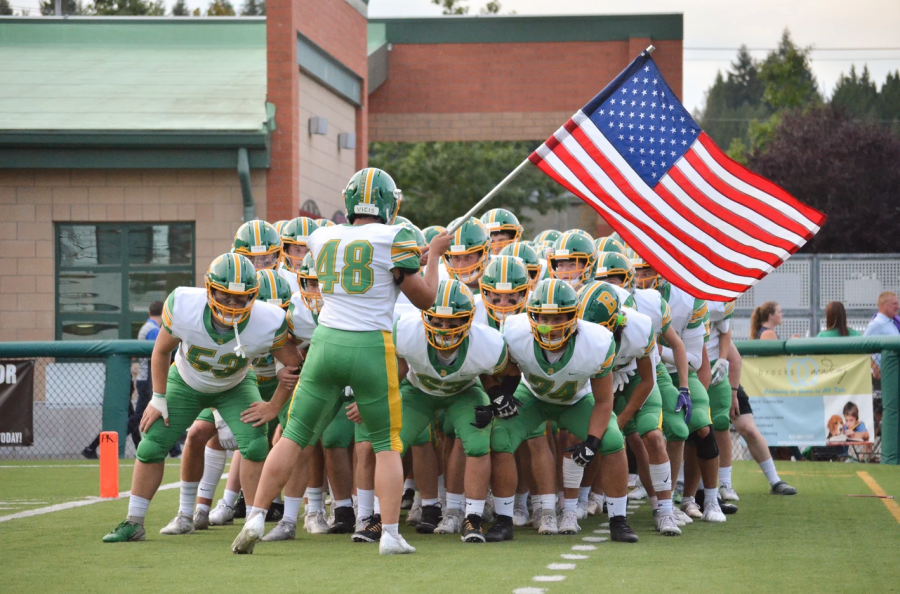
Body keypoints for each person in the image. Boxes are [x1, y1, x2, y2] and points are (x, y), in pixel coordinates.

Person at [231, 167, 451, 556]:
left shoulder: (321, 235)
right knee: (385, 444)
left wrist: (405, 260)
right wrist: (432, 255)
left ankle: (254, 516)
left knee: (294, 435)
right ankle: (389, 534)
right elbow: (426, 299)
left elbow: (364, 257)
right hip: (370, 346)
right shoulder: (396, 236)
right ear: (389, 203)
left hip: (326, 341)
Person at [102, 253, 302, 543]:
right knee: (152, 443)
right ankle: (137, 521)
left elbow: (293, 364)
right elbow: (160, 352)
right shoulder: (185, 305)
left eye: (241, 299)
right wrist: (158, 397)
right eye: (226, 296)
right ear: (210, 289)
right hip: (185, 380)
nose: (233, 305)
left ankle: (251, 523)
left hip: (235, 385)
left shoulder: (267, 320)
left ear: (253, 297)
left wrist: (274, 406)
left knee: (255, 443)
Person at [485, 279, 637, 543]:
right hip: (532, 396)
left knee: (612, 441)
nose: (550, 326)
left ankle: (618, 519)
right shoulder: (513, 330)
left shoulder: (597, 342)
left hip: (576, 401)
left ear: (573, 317)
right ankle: (504, 519)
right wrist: (497, 394)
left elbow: (603, 401)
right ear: (532, 315)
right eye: (543, 317)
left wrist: (591, 442)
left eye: (558, 318)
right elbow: (495, 371)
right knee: (500, 438)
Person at [82, 301, 166, 459]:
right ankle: (96, 445)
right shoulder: (153, 331)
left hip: (143, 378)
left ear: (149, 312)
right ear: (163, 314)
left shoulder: (147, 328)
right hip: (148, 380)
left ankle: (137, 448)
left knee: (135, 416)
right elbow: (157, 358)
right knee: (138, 417)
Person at [864, 291, 900, 381]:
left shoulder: (894, 323)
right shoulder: (876, 324)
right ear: (883, 305)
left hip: (894, 374)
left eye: (898, 304)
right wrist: (875, 368)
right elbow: (862, 348)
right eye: (894, 304)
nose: (898, 307)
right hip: (884, 377)